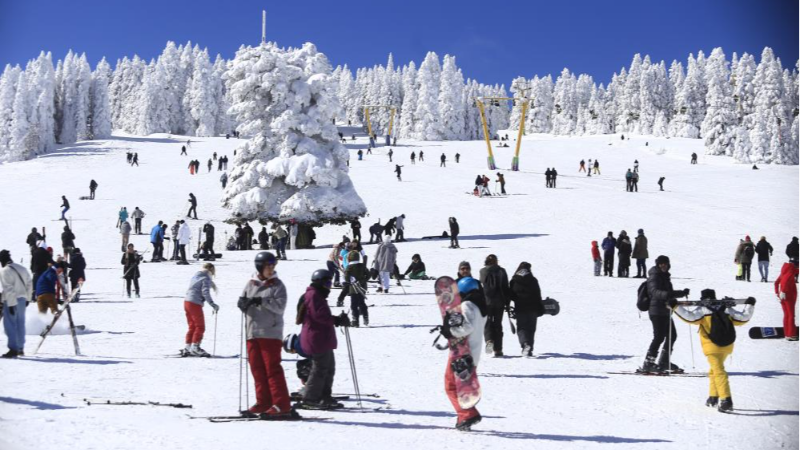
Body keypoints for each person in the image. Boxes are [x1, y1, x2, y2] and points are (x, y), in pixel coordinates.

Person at [671, 290, 755, 411]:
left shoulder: (703, 310)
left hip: (712, 347)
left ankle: (726, 399)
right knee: (714, 370)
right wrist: (750, 305)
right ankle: (713, 397)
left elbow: (690, 317)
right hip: (727, 345)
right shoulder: (726, 308)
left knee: (719, 371)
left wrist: (675, 306)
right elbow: (743, 318)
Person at [236, 252, 293, 416]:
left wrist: (261, 301)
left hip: (270, 333)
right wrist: (242, 303)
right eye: (268, 266)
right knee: (257, 369)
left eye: (273, 266)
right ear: (260, 266)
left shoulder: (277, 285)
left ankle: (281, 404)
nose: (271, 269)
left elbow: (280, 307)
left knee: (272, 369)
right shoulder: (250, 284)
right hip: (252, 333)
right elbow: (243, 300)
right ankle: (264, 402)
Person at [297, 269, 350, 410]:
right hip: (316, 338)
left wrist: (337, 319)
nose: (329, 287)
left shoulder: (317, 295)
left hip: (321, 338)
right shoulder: (314, 295)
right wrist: (337, 320)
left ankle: (324, 395)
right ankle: (310, 398)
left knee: (329, 368)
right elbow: (319, 316)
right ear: (319, 282)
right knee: (320, 369)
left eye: (330, 283)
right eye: (327, 283)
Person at [440, 276, 487, 431]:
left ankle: (467, 414)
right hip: (472, 353)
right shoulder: (481, 306)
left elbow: (466, 328)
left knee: (451, 386)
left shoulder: (467, 305)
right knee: (461, 387)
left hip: (462, 352)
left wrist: (450, 331)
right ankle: (464, 417)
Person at [641, 255, 690, 373]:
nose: (663, 266)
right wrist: (667, 295)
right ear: (658, 265)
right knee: (659, 337)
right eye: (661, 264)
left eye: (665, 264)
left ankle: (664, 361)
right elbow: (654, 292)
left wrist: (681, 293)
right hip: (656, 311)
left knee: (672, 335)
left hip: (665, 311)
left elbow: (669, 293)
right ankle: (648, 363)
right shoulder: (654, 276)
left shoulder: (665, 276)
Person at [182, 263, 220, 357]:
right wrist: (212, 304)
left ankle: (188, 347)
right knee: (200, 326)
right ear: (211, 270)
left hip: (187, 302)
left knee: (192, 326)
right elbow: (205, 292)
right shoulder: (206, 278)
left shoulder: (196, 276)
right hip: (195, 303)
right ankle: (195, 347)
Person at [0, 250, 32, 358]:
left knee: (9, 325)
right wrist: (28, 298)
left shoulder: (4, 271)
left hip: (11, 301)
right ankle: (20, 348)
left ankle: (13, 349)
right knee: (20, 324)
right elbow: (29, 283)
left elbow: (8, 289)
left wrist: (11, 304)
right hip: (22, 299)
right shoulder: (21, 268)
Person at [509, 262, 544, 357]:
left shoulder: (514, 280)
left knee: (521, 328)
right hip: (533, 309)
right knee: (531, 329)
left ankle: (525, 344)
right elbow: (538, 294)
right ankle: (529, 349)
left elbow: (511, 295)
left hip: (520, 308)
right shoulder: (533, 280)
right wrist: (540, 307)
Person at [479, 254, 511, 357]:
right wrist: (507, 302)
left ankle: (489, 340)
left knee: (487, 323)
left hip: (487, 302)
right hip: (500, 302)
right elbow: (506, 287)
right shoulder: (502, 271)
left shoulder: (483, 271)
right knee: (498, 324)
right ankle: (498, 349)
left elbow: (482, 284)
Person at [775, 259, 799, 340]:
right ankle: (791, 334)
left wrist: (777, 293)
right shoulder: (791, 270)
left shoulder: (785, 269)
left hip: (783, 296)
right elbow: (786, 280)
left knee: (787, 315)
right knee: (791, 315)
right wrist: (783, 291)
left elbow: (776, 282)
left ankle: (787, 334)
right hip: (788, 296)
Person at [345, 251, 369, 327]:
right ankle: (365, 317)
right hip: (362, 288)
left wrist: (349, 279)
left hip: (353, 289)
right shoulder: (362, 266)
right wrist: (363, 281)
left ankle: (355, 321)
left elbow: (346, 278)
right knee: (362, 303)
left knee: (354, 305)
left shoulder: (349, 267)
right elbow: (368, 275)